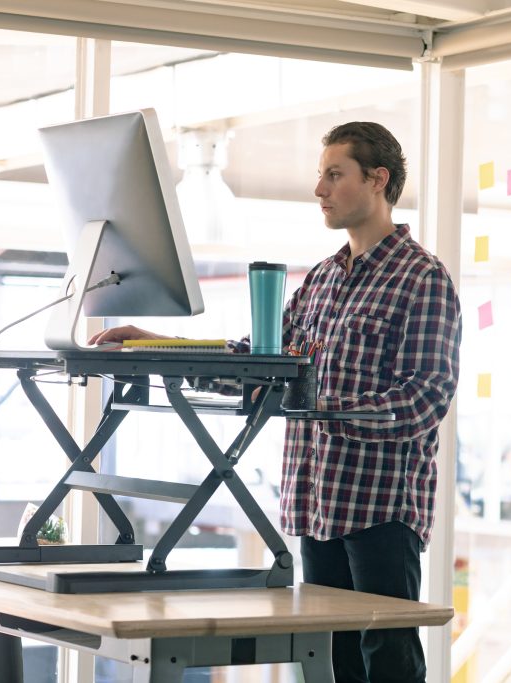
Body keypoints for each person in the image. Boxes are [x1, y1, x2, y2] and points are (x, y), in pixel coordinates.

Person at [90, 121, 462, 683]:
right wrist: (159, 344)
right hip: (315, 504)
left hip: (379, 509)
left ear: (378, 179)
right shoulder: (320, 281)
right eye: (321, 175)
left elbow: (425, 398)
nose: (320, 190)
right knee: (333, 661)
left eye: (335, 175)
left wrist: (323, 412)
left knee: (387, 661)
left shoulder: (422, 278)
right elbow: (259, 367)